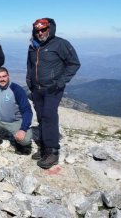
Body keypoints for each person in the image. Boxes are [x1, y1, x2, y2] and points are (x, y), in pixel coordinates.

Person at [26, 18, 81, 169]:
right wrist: (29, 81)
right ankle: (44, 148)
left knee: (49, 115)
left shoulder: (60, 44)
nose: (40, 33)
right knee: (41, 116)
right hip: (36, 88)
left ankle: (52, 152)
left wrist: (60, 82)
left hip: (53, 88)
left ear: (49, 29)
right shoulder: (33, 46)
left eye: (43, 29)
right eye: (38, 30)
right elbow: (30, 65)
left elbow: (74, 63)